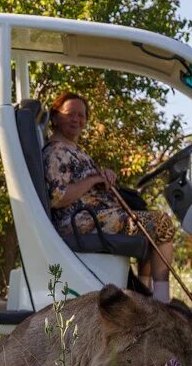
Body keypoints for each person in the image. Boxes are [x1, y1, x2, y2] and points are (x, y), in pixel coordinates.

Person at [42, 91, 178, 301]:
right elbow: (58, 197)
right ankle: (161, 301)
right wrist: (93, 179)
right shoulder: (56, 152)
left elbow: (87, 182)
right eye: (71, 114)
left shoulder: (74, 150)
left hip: (97, 217)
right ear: (56, 117)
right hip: (82, 221)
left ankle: (143, 297)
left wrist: (104, 177)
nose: (77, 119)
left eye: (82, 115)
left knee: (152, 224)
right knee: (162, 224)